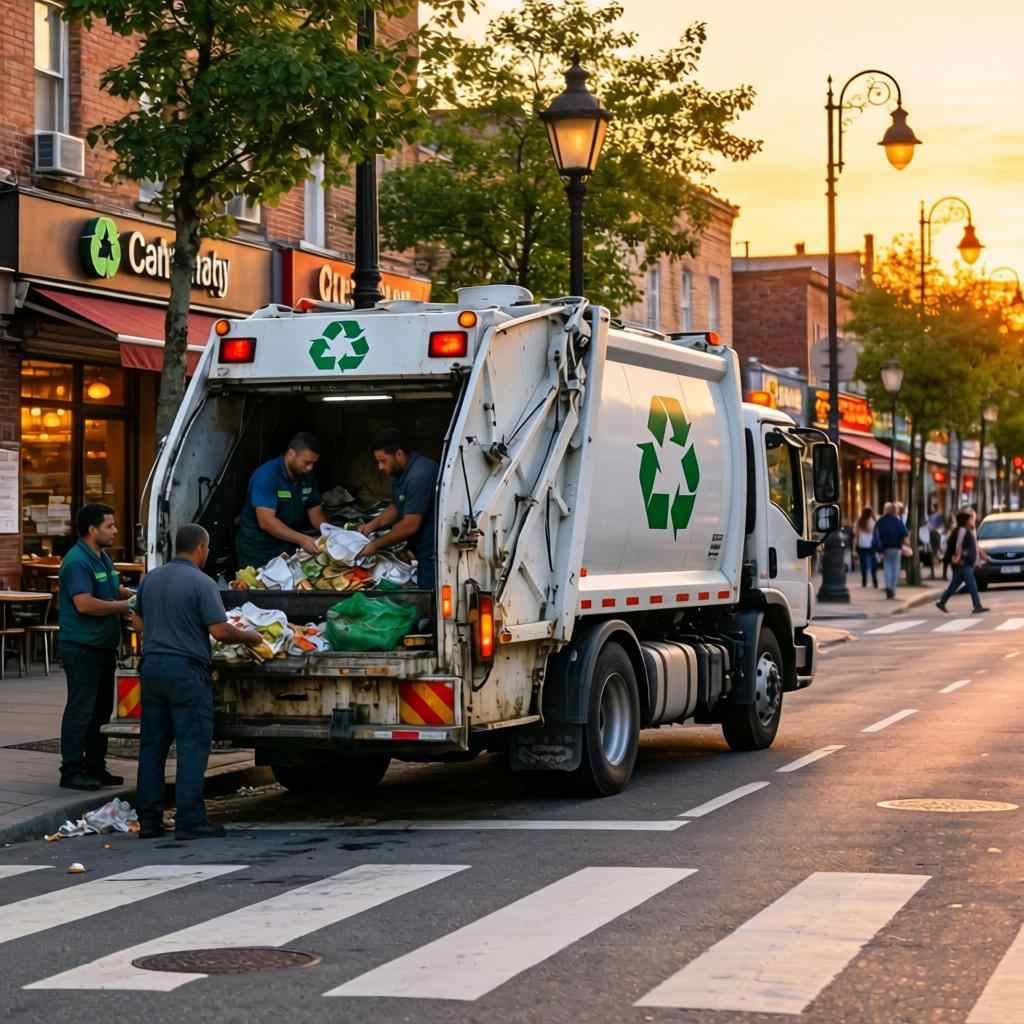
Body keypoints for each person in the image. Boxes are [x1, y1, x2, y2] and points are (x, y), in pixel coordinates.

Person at [132, 524, 262, 840]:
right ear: (201, 548)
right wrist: (251, 637)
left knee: (152, 747)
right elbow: (220, 631)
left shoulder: (151, 579)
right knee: (191, 745)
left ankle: (149, 820)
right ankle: (190, 820)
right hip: (186, 672)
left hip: (152, 668)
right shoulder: (202, 583)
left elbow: (136, 621)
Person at [58, 504, 135, 791]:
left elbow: (114, 589)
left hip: (103, 646)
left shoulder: (102, 558)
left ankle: (95, 767)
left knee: (101, 711)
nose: (115, 531)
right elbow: (84, 603)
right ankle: (71, 771)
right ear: (92, 530)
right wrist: (125, 606)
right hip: (82, 647)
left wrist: (138, 594)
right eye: (109, 526)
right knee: (81, 710)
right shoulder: (77, 562)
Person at [358, 429, 440, 589]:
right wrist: (370, 526)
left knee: (428, 591)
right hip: (419, 544)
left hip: (431, 549)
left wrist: (375, 545)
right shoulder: (401, 471)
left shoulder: (419, 475)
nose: (380, 467)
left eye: (383, 461)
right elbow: (397, 505)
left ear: (399, 454)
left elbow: (410, 525)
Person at [236, 432, 325, 569]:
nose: (310, 468)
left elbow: (315, 513)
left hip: (286, 546)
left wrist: (333, 533)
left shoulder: (307, 477)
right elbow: (266, 521)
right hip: (258, 550)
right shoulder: (267, 475)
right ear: (291, 454)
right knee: (257, 581)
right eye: (307, 462)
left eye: (313, 463)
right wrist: (302, 539)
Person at [936, 508, 990, 615]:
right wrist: (959, 558)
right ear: (965, 521)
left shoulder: (966, 531)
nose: (972, 521)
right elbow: (958, 546)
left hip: (964, 563)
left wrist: (982, 556)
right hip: (963, 564)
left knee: (954, 585)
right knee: (972, 585)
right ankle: (977, 605)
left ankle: (942, 602)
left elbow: (974, 547)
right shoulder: (962, 531)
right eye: (970, 520)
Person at [875, 501, 908, 600]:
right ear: (895, 511)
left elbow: (876, 534)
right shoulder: (897, 520)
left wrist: (879, 548)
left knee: (887, 568)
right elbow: (904, 533)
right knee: (896, 569)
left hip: (885, 548)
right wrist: (904, 544)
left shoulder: (881, 521)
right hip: (896, 547)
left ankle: (889, 587)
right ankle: (892, 588)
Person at [855, 507, 879, 589]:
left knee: (863, 564)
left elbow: (856, 534)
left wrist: (855, 545)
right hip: (872, 545)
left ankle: (864, 581)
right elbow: (876, 534)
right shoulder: (874, 521)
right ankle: (875, 581)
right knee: (873, 564)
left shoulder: (859, 522)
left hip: (862, 545)